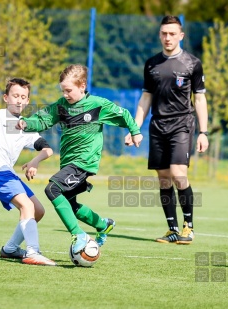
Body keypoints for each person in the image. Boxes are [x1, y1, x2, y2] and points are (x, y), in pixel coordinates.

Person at [16, 64, 143, 254]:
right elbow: (43, 119)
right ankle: (103, 224)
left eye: (69, 90)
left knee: (52, 188)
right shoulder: (61, 106)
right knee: (70, 204)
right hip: (68, 162)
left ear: (82, 86)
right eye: (63, 90)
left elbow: (123, 113)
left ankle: (78, 235)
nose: (66, 94)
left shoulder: (98, 105)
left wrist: (135, 132)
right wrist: (26, 123)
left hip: (84, 162)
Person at [124, 15, 209, 245]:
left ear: (181, 36)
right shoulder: (151, 64)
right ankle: (172, 229)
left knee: (178, 173)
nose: (167, 37)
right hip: (157, 125)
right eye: (164, 33)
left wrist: (203, 132)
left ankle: (188, 227)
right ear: (160, 35)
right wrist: (135, 128)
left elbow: (199, 99)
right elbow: (145, 98)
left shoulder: (192, 63)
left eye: (172, 33)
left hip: (182, 124)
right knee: (163, 179)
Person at [0, 77, 56, 266]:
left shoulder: (25, 125)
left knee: (38, 211)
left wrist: (35, 161)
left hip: (8, 173)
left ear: (28, 101)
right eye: (15, 96)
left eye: (23, 97)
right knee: (27, 207)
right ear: (6, 98)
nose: (19, 100)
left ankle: (10, 249)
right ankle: (33, 252)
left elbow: (47, 149)